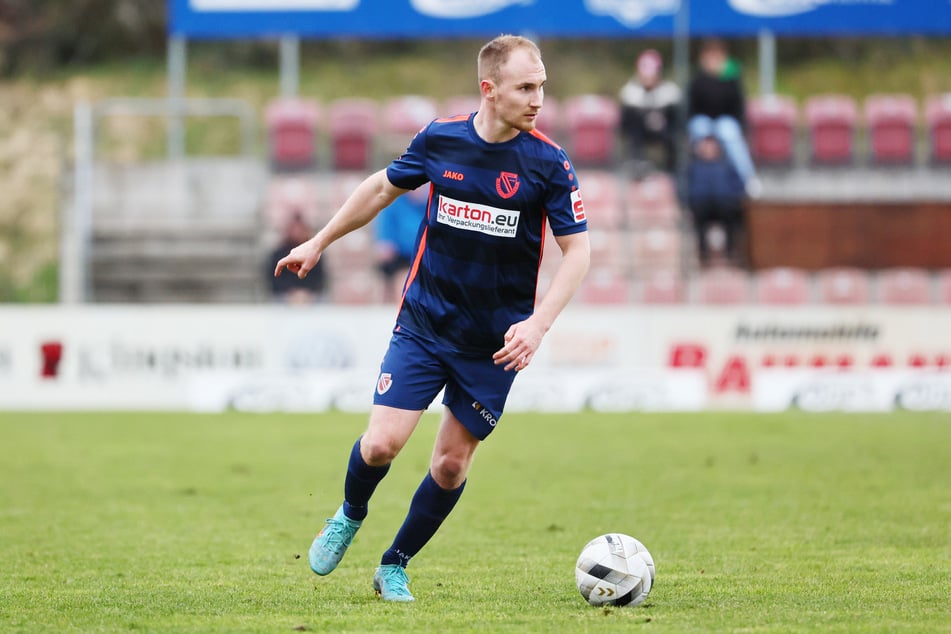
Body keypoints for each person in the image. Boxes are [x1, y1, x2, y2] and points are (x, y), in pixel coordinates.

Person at [274, 35, 590, 602]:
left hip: (494, 344)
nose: (539, 98)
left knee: (449, 465)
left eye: (542, 85)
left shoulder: (549, 163)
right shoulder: (441, 138)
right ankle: (349, 514)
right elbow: (379, 189)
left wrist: (538, 323)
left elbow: (580, 253)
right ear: (488, 90)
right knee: (380, 447)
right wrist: (319, 241)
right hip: (424, 323)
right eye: (526, 87)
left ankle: (394, 564)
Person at [687, 38, 762, 198]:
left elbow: (738, 109)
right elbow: (691, 109)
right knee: (700, 127)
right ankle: (695, 180)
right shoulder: (698, 80)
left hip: (725, 122)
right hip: (703, 122)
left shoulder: (732, 79)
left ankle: (748, 178)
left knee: (728, 130)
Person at [618, 49, 682, 176]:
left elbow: (675, 119)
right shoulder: (631, 91)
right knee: (634, 129)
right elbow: (625, 124)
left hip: (663, 131)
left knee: (672, 137)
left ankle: (672, 172)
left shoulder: (669, 91)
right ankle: (637, 166)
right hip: (640, 134)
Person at [686, 135, 746, 266]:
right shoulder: (694, 167)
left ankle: (731, 253)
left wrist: (734, 198)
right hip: (701, 205)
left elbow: (740, 185)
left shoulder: (726, 166)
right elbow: (686, 188)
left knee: (731, 214)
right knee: (699, 214)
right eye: (705, 146)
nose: (708, 149)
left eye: (711, 146)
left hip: (724, 204)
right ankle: (703, 254)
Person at [373, 185, 428, 303]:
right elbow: (385, 238)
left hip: (425, 257)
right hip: (401, 258)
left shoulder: (430, 204)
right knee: (403, 280)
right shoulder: (395, 204)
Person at [267, 213, 327, 304]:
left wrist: (305, 293)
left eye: (300, 229)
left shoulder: (314, 253)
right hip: (284, 295)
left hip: (310, 296)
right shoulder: (278, 253)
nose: (297, 232)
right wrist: (291, 292)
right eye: (294, 229)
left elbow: (319, 278)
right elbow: (273, 278)